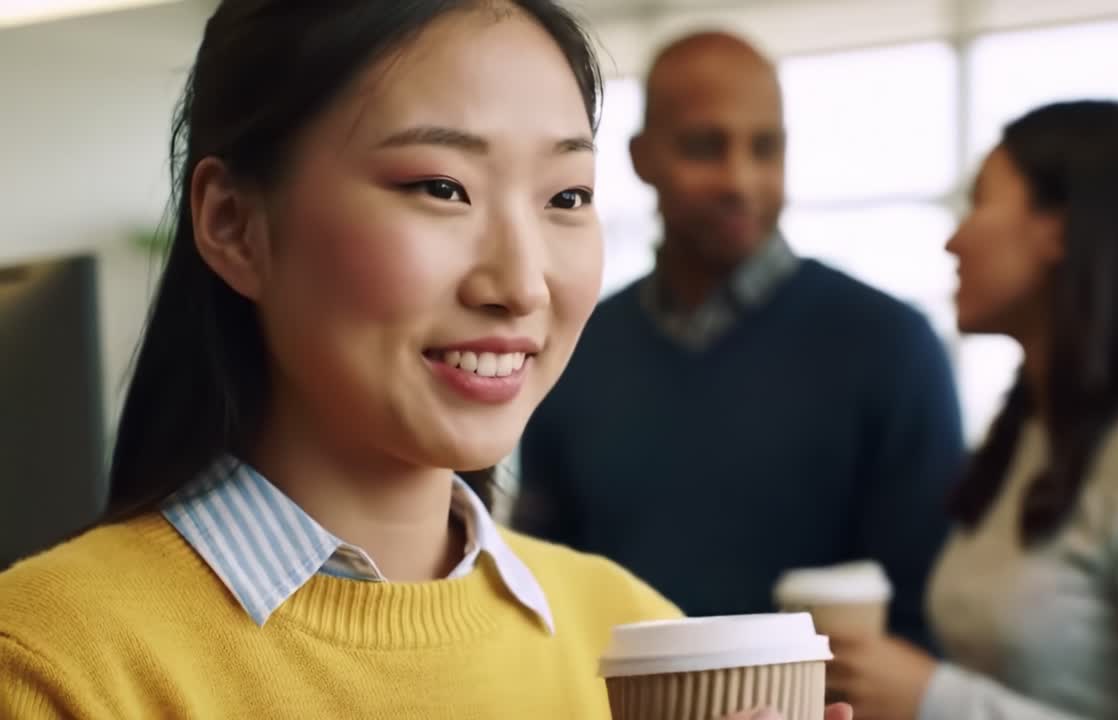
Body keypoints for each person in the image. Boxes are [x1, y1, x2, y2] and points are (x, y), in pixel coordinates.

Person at [0, 2, 854, 718]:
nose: (521, 285)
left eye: (567, 197)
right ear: (233, 224)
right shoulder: (53, 664)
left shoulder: (630, 638)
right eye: (441, 187)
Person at [514, 30, 966, 650]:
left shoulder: (892, 347)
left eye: (765, 148)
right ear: (641, 158)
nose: (740, 180)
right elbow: (541, 592)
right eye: (706, 147)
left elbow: (926, 619)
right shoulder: (575, 348)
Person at [831, 100, 1118, 720]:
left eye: (980, 203)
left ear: (1061, 228)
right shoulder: (1029, 436)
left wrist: (936, 702)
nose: (953, 239)